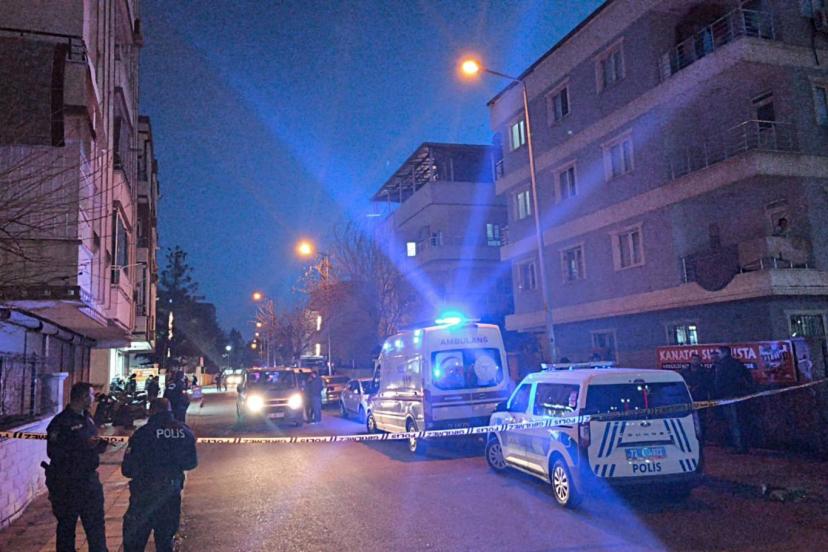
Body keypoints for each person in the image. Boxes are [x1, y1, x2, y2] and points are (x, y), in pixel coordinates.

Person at [122, 398, 197, 552]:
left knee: (134, 542)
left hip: (143, 496)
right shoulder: (184, 432)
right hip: (171, 495)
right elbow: (191, 463)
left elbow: (127, 469)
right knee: (165, 542)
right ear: (169, 409)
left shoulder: (142, 434)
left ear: (152, 410)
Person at [44, 382, 110, 552]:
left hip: (89, 481)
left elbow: (90, 441)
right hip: (68, 483)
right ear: (83, 397)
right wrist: (83, 446)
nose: (94, 398)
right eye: (91, 395)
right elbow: (54, 453)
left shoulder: (87, 417)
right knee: (66, 527)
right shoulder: (61, 422)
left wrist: (98, 445)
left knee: (96, 527)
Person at [711, 346, 754, 453]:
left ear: (724, 353)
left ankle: (739, 446)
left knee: (734, 422)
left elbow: (720, 382)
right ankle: (741, 445)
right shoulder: (735, 363)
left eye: (718, 352)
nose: (717, 355)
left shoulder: (724, 365)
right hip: (735, 396)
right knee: (738, 421)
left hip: (729, 396)